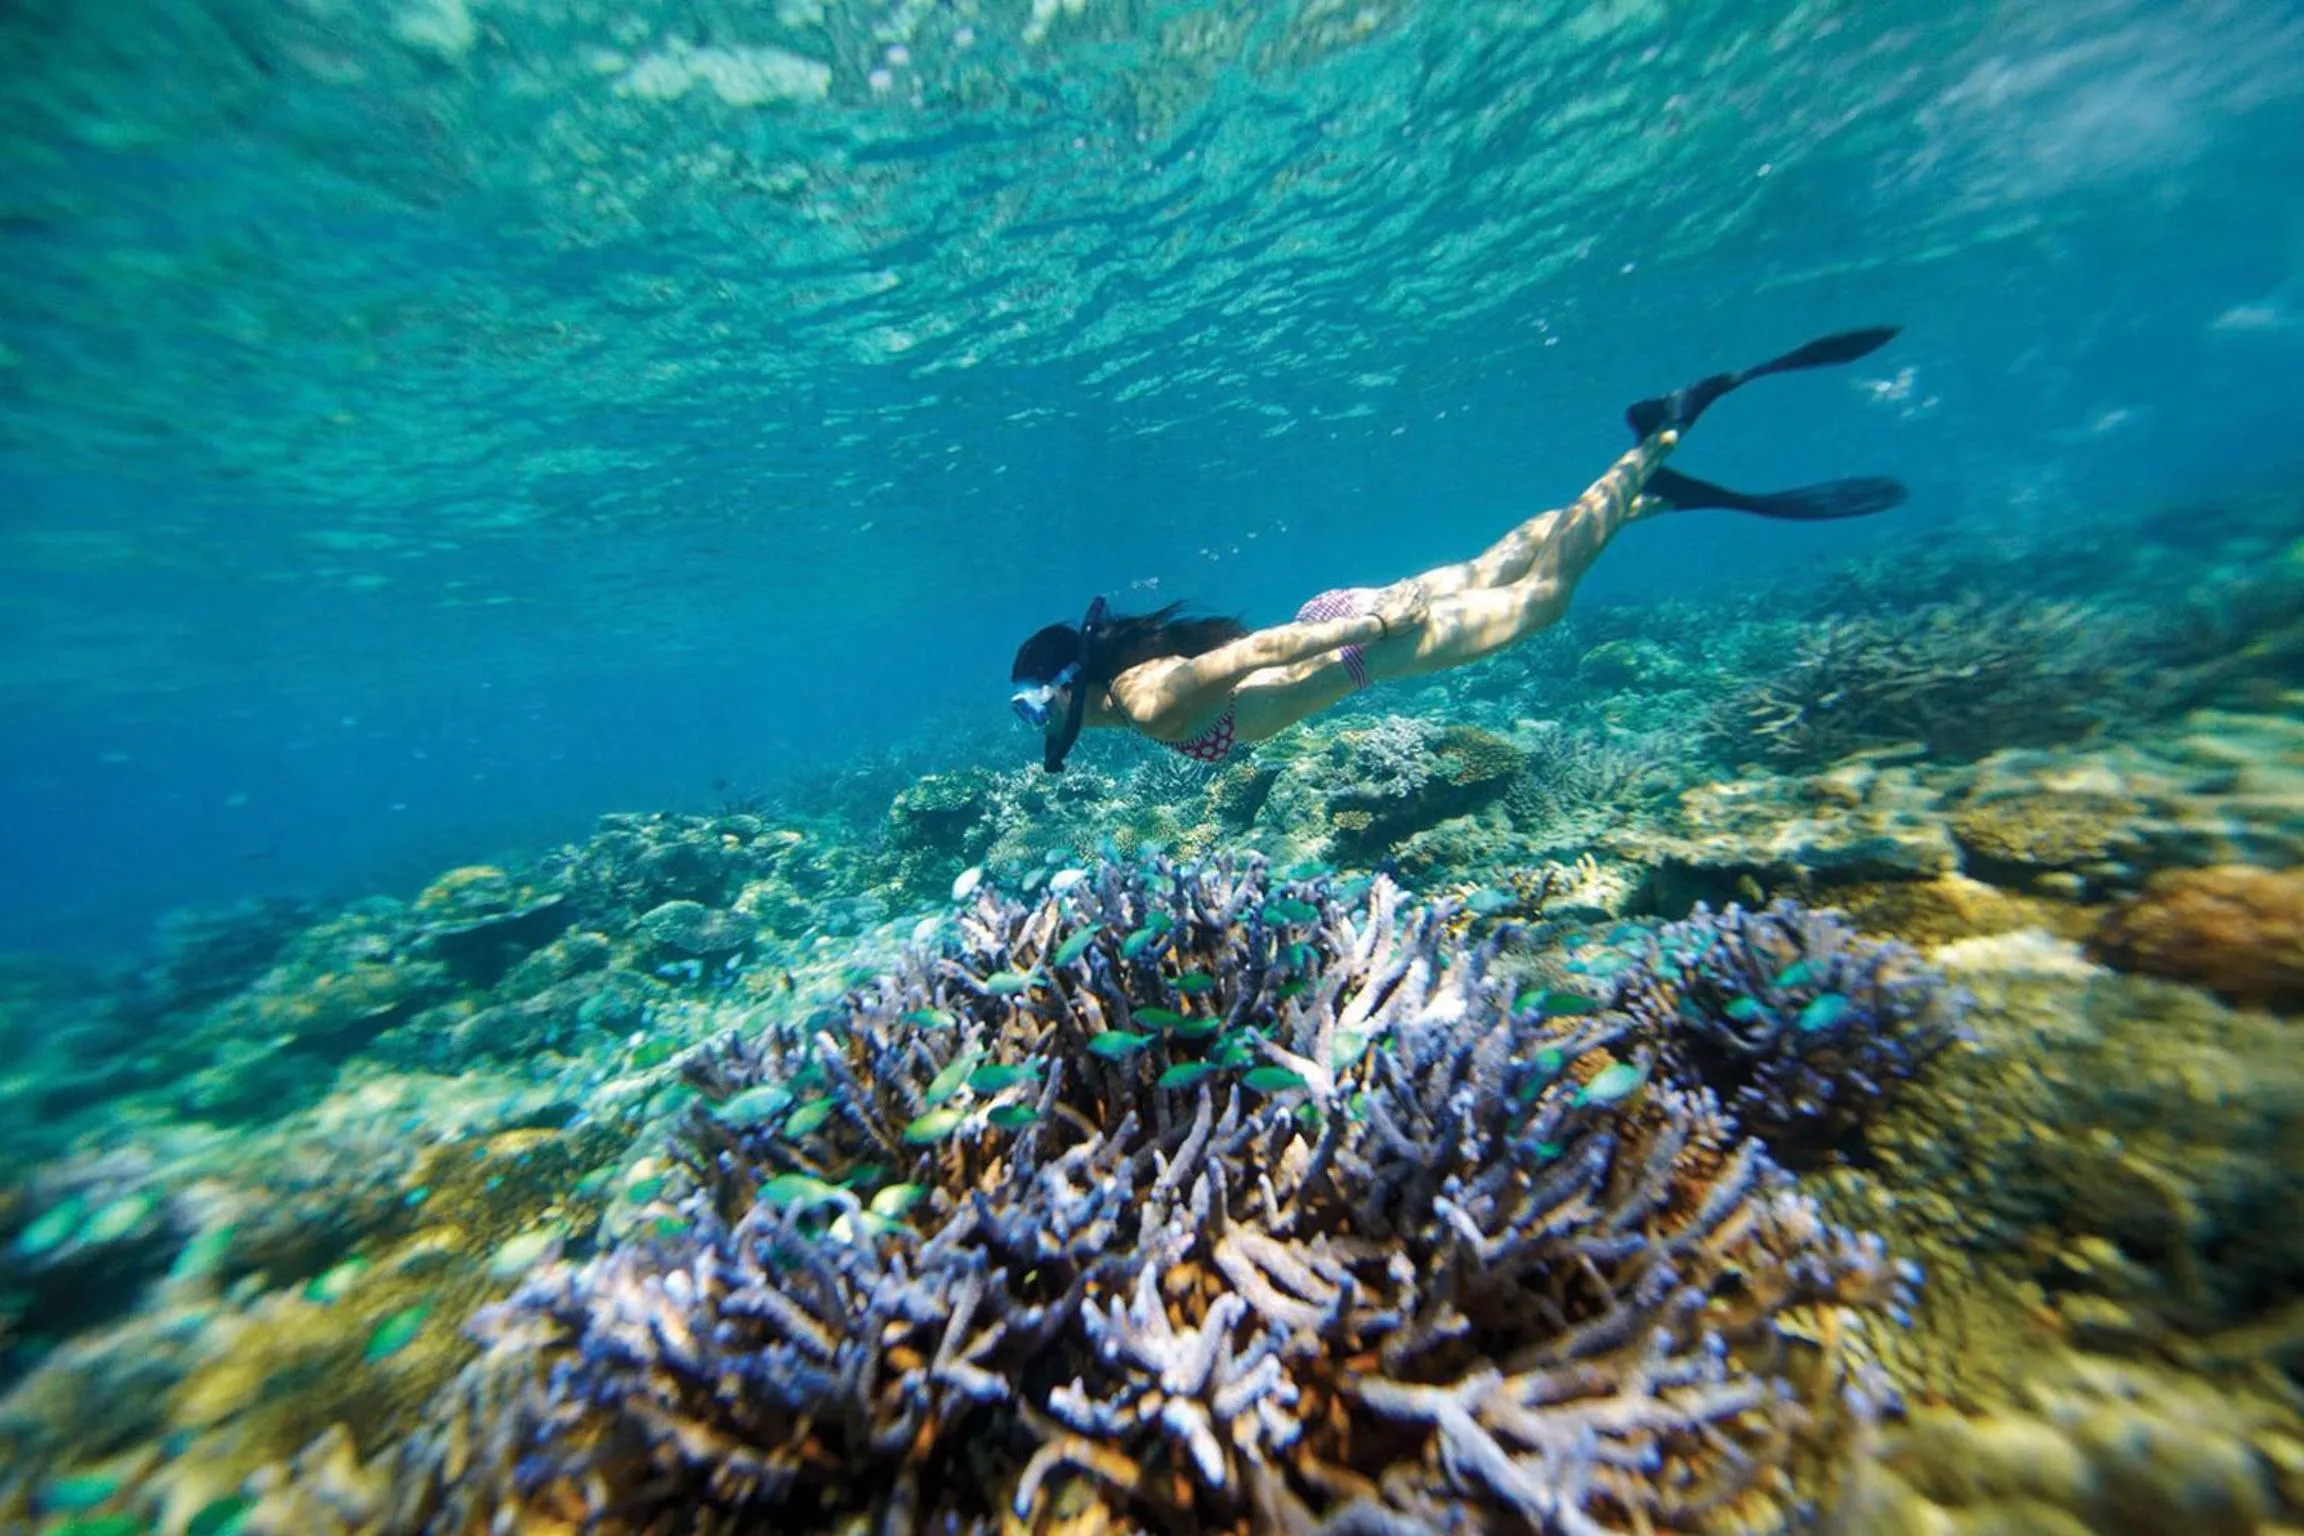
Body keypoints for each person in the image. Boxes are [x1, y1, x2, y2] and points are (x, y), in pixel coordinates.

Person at [1009, 327, 1907, 773]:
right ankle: (1631, 499)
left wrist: (1366, 625)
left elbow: (1253, 653)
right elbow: (1249, 657)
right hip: (1345, 620)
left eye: (1037, 710)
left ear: (1069, 687)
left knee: (1541, 600)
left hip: (1363, 644)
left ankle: (1655, 448)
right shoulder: (1132, 689)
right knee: (1494, 564)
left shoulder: (1146, 696)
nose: (1044, 726)